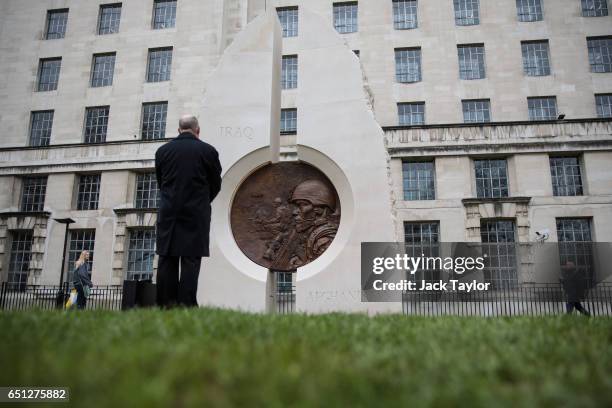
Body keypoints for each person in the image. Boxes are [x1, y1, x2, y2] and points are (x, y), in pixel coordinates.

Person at [155, 115, 222, 307]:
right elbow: (216, 184)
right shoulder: (208, 151)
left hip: (169, 212)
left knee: (167, 257)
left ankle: (166, 304)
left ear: (178, 130)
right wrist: (201, 201)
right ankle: (186, 304)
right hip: (196, 213)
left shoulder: (162, 151)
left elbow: (161, 183)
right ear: (198, 130)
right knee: (191, 260)